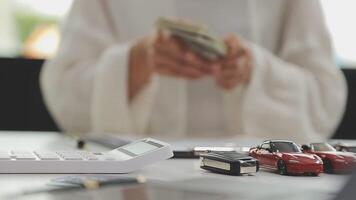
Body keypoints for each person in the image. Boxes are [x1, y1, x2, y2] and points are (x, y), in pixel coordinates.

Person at [41, 0, 347, 143]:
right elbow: (64, 90)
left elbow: (325, 97)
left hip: (255, 176)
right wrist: (135, 63)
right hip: (135, 179)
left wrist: (256, 71)